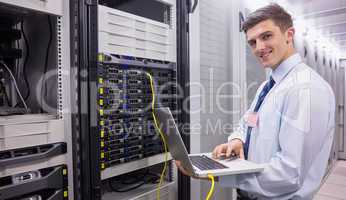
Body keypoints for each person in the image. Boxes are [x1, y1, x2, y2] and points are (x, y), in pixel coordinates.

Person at [175, 3, 335, 200]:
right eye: (252, 42)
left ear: (289, 35)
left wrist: (217, 175)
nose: (259, 47)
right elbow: (249, 122)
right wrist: (237, 139)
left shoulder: (306, 89)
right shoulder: (267, 87)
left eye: (266, 36)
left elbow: (289, 175)